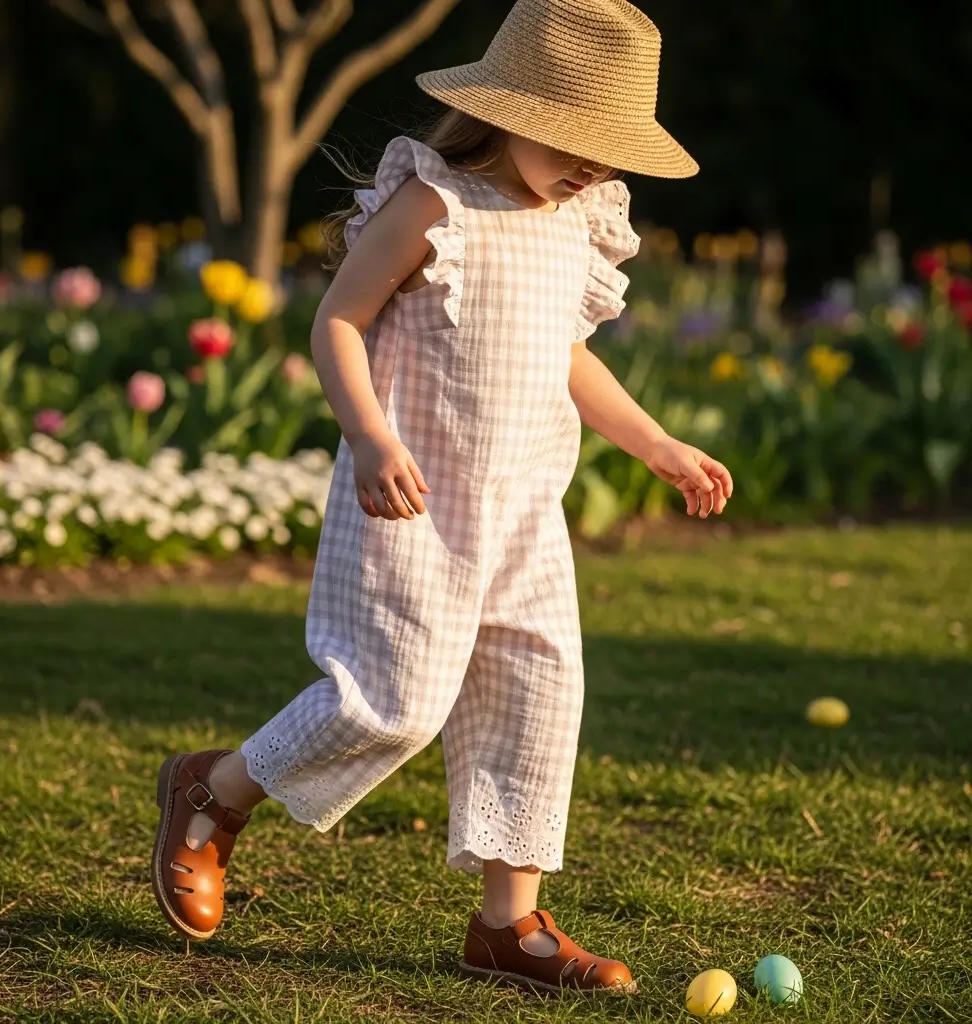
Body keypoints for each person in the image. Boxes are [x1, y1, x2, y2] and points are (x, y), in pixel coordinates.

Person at [150, 0, 732, 996]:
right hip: (411, 505)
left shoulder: (577, 220)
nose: (591, 167)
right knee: (395, 704)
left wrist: (655, 443)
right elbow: (339, 319)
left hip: (523, 513)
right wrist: (371, 434)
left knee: (539, 695)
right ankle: (215, 787)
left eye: (607, 149)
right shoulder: (436, 204)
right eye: (572, 138)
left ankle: (508, 923)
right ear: (504, 110)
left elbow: (568, 360)